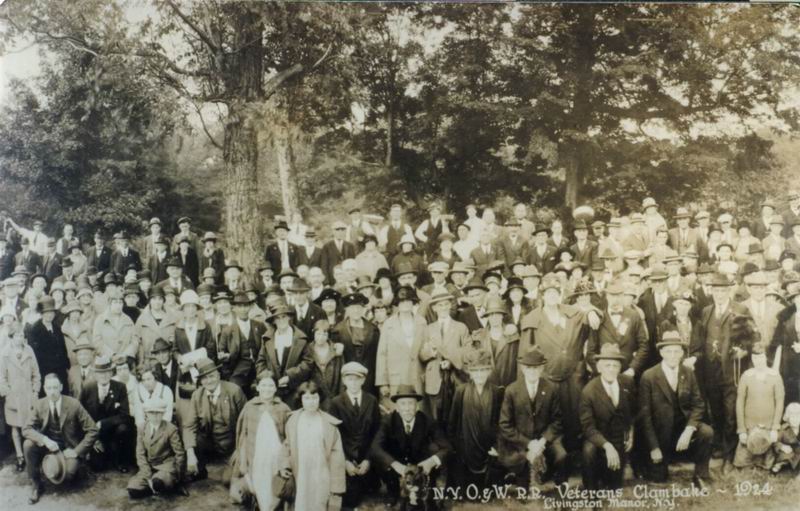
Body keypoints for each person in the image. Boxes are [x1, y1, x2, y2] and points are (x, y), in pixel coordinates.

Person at [638, 330, 714, 487]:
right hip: (660, 433)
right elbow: (645, 417)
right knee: (658, 479)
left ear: (682, 353)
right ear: (661, 353)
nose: (673, 355)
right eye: (668, 351)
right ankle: (656, 464)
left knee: (706, 432)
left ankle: (701, 474)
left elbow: (698, 404)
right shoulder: (649, 376)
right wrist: (654, 447)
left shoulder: (688, 373)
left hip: (682, 430)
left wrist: (689, 430)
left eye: (676, 351)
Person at [691, 273, 752, 463]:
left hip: (731, 370)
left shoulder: (740, 309)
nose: (719, 294)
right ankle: (718, 445)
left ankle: (729, 451)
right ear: (712, 291)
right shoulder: (706, 311)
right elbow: (702, 338)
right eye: (716, 290)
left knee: (730, 411)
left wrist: (743, 350)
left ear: (729, 291)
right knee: (715, 410)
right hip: (710, 370)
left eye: (723, 290)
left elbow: (752, 337)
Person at [22, 373, 99, 504]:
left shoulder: (74, 404)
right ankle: (36, 484)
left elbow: (93, 429)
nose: (52, 392)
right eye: (49, 388)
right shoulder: (39, 404)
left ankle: (75, 469)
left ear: (61, 387)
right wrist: (44, 440)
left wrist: (76, 451)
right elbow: (26, 429)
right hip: (47, 445)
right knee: (28, 444)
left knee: (67, 475)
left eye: (55, 387)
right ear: (44, 389)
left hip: (68, 447)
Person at [369, 385, 451, 507]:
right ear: (397, 408)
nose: (407, 408)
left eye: (410, 403)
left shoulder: (427, 421)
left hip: (420, 466)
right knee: (382, 454)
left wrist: (431, 462)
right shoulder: (388, 421)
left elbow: (447, 447)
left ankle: (427, 488)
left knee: (434, 449)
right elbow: (375, 447)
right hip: (398, 464)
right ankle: (393, 490)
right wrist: (395, 465)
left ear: (417, 406)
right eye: (403, 404)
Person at [498, 348, 567, 487]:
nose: (532, 372)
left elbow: (557, 421)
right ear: (523, 369)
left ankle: (554, 479)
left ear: (542, 369)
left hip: (544, 440)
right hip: (521, 440)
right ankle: (522, 473)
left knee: (561, 455)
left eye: (536, 368)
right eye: (529, 368)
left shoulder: (550, 388)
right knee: (522, 479)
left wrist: (542, 441)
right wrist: (528, 444)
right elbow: (505, 425)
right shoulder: (512, 390)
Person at [279, 381, 346, 510]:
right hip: (300, 473)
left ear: (320, 399)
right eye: (307, 398)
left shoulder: (329, 424)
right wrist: (284, 465)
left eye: (314, 398)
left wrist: (336, 487)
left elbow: (337, 458)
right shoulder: (293, 421)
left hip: (321, 474)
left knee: (319, 503)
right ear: (301, 400)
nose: (311, 402)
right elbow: (287, 446)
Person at [230, 370, 291, 509]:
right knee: (258, 484)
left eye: (270, 386)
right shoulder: (250, 407)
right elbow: (243, 436)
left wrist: (286, 461)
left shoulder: (283, 408)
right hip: (256, 456)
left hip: (276, 457)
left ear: (276, 388)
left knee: (275, 486)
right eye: (263, 385)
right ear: (257, 387)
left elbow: (289, 437)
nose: (267, 389)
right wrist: (243, 461)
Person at [580, 344, 636, 491]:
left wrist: (631, 432)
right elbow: (588, 428)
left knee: (614, 486)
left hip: (618, 439)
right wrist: (607, 446)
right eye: (607, 365)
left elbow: (634, 412)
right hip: (599, 441)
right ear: (599, 368)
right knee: (589, 450)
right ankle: (591, 489)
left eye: (615, 366)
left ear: (620, 368)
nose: (611, 369)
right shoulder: (589, 391)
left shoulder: (628, 383)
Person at [448, 349, 504, 492]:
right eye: (476, 371)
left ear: (488, 371)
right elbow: (452, 424)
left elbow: (500, 424)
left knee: (487, 490)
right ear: (470, 373)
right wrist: (458, 448)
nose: (479, 375)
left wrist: (497, 446)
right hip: (466, 450)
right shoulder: (461, 391)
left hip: (488, 450)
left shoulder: (496, 392)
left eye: (483, 370)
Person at [327, 361, 381, 508]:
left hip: (367, 460)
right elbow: (334, 437)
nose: (354, 383)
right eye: (350, 379)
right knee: (349, 501)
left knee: (372, 498)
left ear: (363, 380)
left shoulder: (371, 401)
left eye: (357, 379)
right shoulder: (336, 403)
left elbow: (376, 432)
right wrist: (345, 461)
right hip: (345, 461)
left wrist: (368, 459)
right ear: (344, 381)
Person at [184, 357, 247, 481]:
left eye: (211, 376)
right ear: (201, 381)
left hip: (233, 444)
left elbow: (246, 423)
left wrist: (240, 449)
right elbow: (189, 426)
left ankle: (231, 466)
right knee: (197, 439)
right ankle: (201, 470)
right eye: (204, 378)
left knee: (228, 480)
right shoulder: (197, 395)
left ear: (218, 375)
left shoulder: (234, 391)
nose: (209, 381)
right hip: (212, 443)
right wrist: (190, 454)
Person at [734, 341, 785, 470]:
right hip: (750, 427)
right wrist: (742, 430)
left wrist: (775, 428)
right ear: (752, 358)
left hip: (768, 427)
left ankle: (765, 457)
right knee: (741, 462)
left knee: (767, 463)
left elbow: (780, 402)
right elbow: (740, 402)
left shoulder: (775, 376)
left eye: (761, 357)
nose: (758, 361)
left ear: (766, 357)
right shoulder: (746, 376)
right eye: (755, 358)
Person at [420, 290, 470, 420]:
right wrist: (432, 351)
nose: (443, 308)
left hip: (455, 379)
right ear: (434, 308)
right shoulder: (428, 329)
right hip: (434, 380)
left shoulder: (460, 327)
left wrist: (451, 361)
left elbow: (468, 351)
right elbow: (421, 355)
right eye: (439, 305)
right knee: (436, 418)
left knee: (455, 416)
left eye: (446, 304)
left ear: (450, 305)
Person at [79, 356, 134, 473]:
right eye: (100, 373)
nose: (103, 376)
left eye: (106, 372)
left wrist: (103, 423)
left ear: (111, 373)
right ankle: (103, 454)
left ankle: (120, 460)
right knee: (97, 467)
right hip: (95, 433)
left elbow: (125, 415)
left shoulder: (120, 387)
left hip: (113, 432)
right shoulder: (87, 388)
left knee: (124, 429)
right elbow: (81, 415)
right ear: (95, 374)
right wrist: (93, 439)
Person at [0, 321, 41, 471]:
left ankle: (32, 455)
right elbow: (1, 377)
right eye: (16, 335)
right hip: (13, 396)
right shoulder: (4, 353)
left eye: (22, 335)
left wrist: (35, 391)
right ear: (11, 337)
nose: (19, 338)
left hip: (28, 395)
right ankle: (20, 457)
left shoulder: (29, 350)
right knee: (16, 427)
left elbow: (36, 373)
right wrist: (7, 392)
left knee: (30, 425)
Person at [127, 396, 187, 499]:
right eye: (151, 413)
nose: (155, 416)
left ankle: (163, 484)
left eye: (158, 413)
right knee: (133, 489)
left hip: (165, 466)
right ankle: (156, 487)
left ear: (163, 413)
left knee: (158, 482)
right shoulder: (142, 428)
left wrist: (178, 476)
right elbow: (140, 453)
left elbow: (179, 453)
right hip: (150, 466)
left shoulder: (170, 429)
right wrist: (147, 475)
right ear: (146, 414)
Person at [375, 286, 426, 406]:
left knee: (418, 411)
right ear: (397, 303)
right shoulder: (389, 324)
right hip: (396, 378)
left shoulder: (421, 322)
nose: (405, 304)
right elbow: (382, 354)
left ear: (413, 302)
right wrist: (383, 382)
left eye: (408, 300)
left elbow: (425, 349)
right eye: (402, 301)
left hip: (417, 377)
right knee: (398, 411)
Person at [255, 304, 312, 408]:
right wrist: (268, 379)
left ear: (289, 318)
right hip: (272, 389)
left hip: (294, 388)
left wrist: (290, 376)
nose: (281, 320)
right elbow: (261, 361)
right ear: (274, 321)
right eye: (278, 318)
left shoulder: (300, 338)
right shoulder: (267, 338)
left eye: (284, 317)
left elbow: (307, 363)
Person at [218, 291, 268, 392]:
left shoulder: (259, 326)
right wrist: (228, 376)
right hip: (238, 371)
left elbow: (268, 346)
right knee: (234, 390)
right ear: (234, 308)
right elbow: (222, 356)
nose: (243, 309)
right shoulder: (227, 331)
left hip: (259, 369)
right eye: (239, 306)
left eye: (246, 306)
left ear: (250, 307)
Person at [334, 292, 381, 395]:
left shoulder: (373, 330)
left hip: (369, 379)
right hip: (347, 379)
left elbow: (378, 356)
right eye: (352, 308)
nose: (356, 311)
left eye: (359, 308)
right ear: (347, 309)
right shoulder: (338, 330)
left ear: (363, 309)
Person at [770, 284, 800, 404]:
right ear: (794, 300)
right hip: (790, 366)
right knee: (791, 397)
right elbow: (777, 343)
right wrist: (775, 367)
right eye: (798, 298)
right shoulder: (785, 318)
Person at [132, 364, 174, 430]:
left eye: (149, 379)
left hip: (163, 427)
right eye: (143, 380)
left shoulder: (166, 390)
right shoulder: (138, 391)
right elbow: (139, 415)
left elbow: (168, 415)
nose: (146, 383)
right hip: (146, 428)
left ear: (155, 378)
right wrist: (144, 430)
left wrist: (158, 430)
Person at [771, 402, 800, 474]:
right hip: (788, 452)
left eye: (797, 417)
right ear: (788, 418)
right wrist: (782, 446)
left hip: (798, 451)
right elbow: (775, 442)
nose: (795, 420)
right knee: (784, 456)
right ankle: (780, 465)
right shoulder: (784, 429)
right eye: (792, 417)